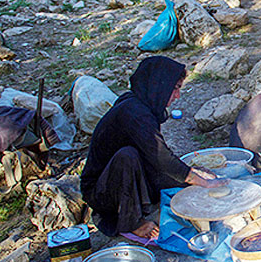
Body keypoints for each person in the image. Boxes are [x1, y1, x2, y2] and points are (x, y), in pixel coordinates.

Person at [80, 56, 223, 240]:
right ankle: (131, 223)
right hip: (101, 191)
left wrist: (191, 175)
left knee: (180, 181)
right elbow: (161, 157)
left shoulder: (141, 103)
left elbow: (154, 155)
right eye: (175, 88)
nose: (178, 96)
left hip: (124, 176)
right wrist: (201, 181)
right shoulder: (134, 113)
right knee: (128, 155)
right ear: (159, 86)